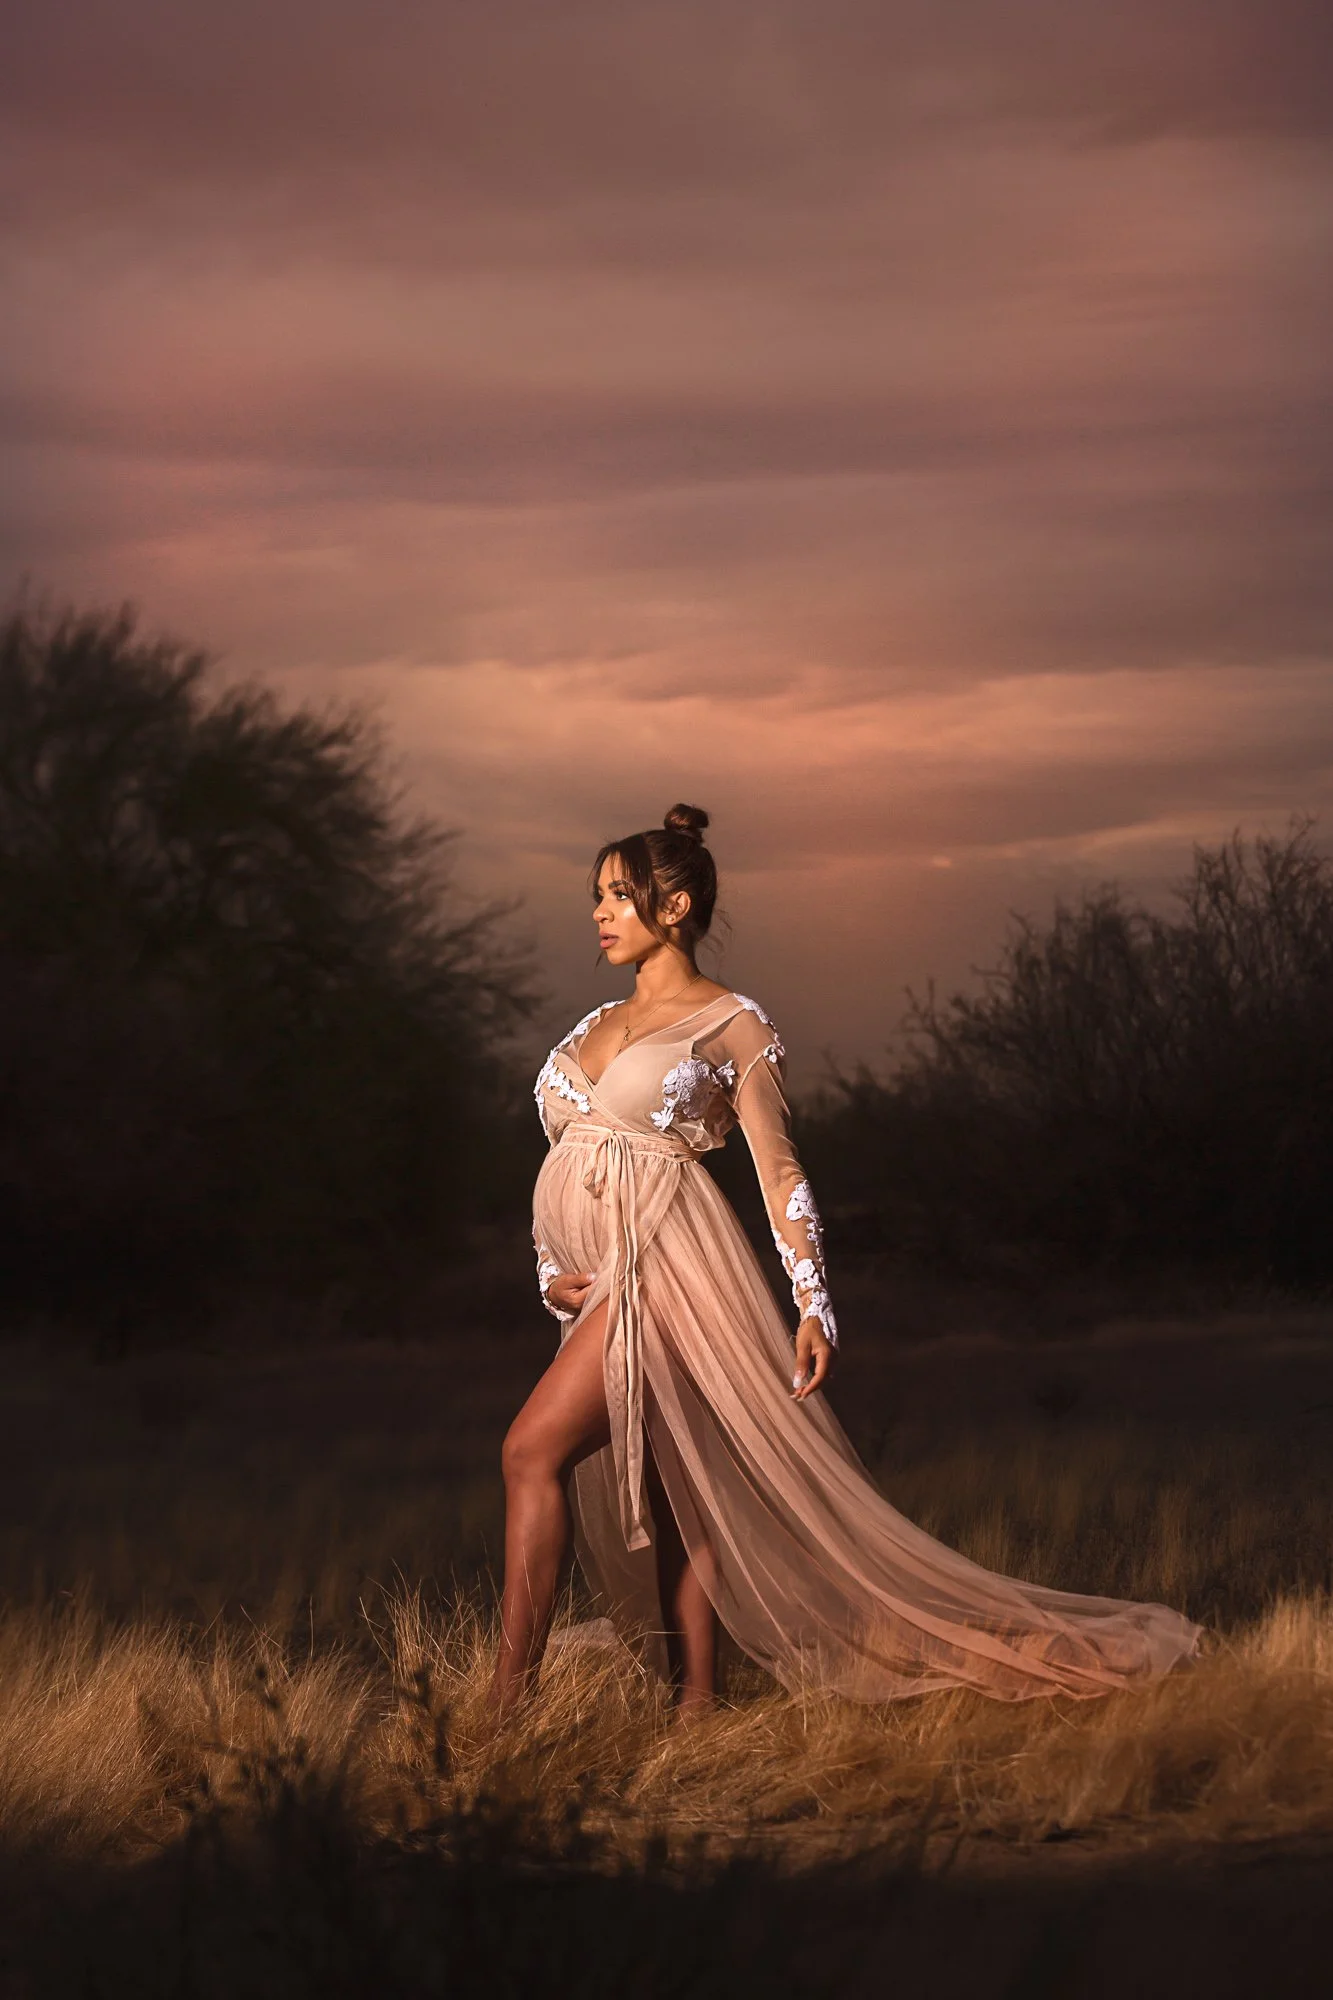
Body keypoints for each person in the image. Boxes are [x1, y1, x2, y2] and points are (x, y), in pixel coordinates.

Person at [492, 804, 1201, 1715]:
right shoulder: (592, 1021)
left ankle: (505, 1711)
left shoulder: (730, 1023)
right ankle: (696, 1706)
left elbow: (777, 1169)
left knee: (527, 1453)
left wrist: (812, 1304)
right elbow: (565, 1156)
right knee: (674, 1489)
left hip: (669, 1274)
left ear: (675, 906)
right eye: (594, 897)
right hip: (593, 1289)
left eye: (619, 897)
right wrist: (547, 1266)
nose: (599, 914)